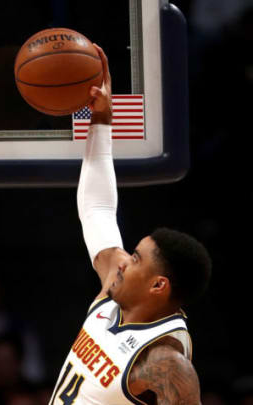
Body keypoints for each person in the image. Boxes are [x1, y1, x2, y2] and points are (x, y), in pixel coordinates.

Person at [49, 44, 212, 405]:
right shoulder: (113, 291)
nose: (123, 260)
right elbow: (97, 209)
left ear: (158, 285)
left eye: (136, 258)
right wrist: (102, 120)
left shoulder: (165, 362)